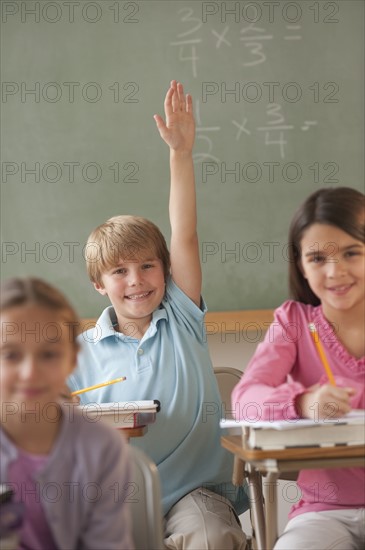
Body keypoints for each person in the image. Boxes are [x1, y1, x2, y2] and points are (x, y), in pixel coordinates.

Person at [68, 80, 249, 549]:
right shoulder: (75, 355)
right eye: (119, 271)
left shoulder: (183, 317)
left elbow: (183, 233)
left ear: (166, 272)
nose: (136, 280)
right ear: (98, 284)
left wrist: (181, 155)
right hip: (113, 499)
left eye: (148, 265)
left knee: (211, 537)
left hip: (197, 494)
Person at [232, 187, 365, 549]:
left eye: (352, 253)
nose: (335, 271)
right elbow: (246, 399)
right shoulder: (294, 322)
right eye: (317, 258)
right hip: (324, 510)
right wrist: (304, 403)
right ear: (301, 265)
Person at [0, 277, 134, 550]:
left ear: (73, 359)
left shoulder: (102, 446)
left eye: (48, 354)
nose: (30, 373)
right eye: (11, 355)